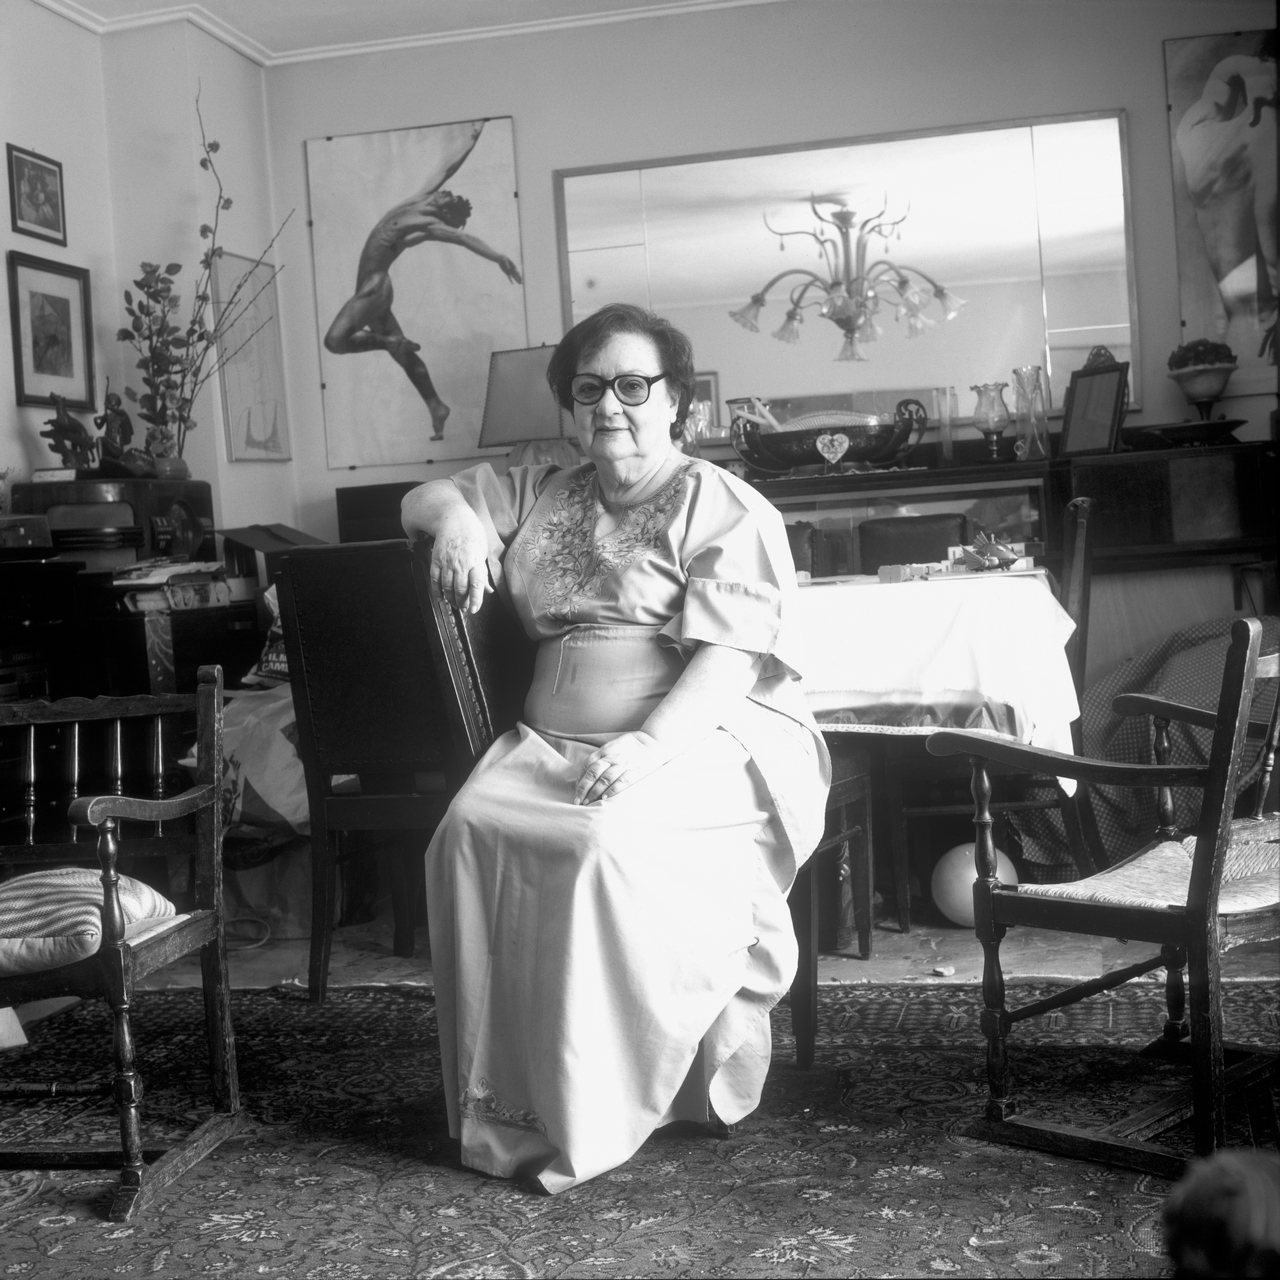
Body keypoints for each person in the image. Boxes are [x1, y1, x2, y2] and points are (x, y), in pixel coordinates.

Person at [401, 303, 830, 1193]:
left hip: (697, 733)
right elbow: (420, 497)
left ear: (677, 401)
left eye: (634, 386)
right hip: (549, 741)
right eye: (589, 388)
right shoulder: (543, 486)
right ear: (570, 405)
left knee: (600, 844)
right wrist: (460, 522)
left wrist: (648, 745)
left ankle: (613, 1098)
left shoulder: (722, 503)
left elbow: (731, 657)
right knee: (464, 833)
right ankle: (512, 1102)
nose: (610, 405)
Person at [324, 120, 524, 440]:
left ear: (445, 211)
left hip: (376, 286)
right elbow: (448, 168)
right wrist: (473, 137)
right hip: (374, 289)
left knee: (335, 341)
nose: (445, 192)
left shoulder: (430, 223)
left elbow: (464, 239)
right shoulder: (421, 198)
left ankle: (389, 342)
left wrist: (497, 256)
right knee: (404, 356)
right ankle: (435, 405)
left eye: (447, 198)